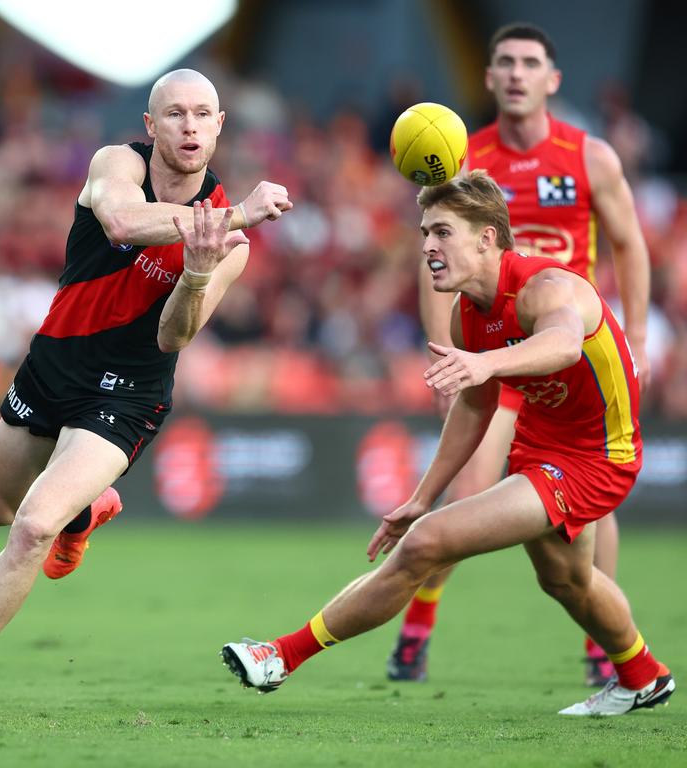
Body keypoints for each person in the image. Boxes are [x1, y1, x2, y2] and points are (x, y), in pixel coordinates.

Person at [0, 68, 293, 719]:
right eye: (174, 114)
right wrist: (235, 213)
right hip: (53, 365)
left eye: (203, 114)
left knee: (31, 528)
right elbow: (118, 221)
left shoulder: (232, 244)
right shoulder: (119, 164)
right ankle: (85, 513)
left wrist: (196, 276)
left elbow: (174, 337)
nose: (189, 126)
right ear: (150, 125)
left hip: (128, 392)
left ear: (220, 125)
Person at [222, 171, 674, 716]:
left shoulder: (544, 288)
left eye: (442, 233)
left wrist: (485, 362)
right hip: (541, 445)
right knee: (567, 579)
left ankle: (280, 656)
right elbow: (478, 405)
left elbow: (563, 344)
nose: (428, 247)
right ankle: (643, 676)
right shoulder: (469, 315)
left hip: (596, 458)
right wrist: (422, 495)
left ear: (487, 238)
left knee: (425, 544)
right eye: (424, 234)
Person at [388, 23, 652, 686]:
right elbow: (434, 263)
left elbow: (630, 243)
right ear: (488, 77)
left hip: (561, 346)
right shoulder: (462, 159)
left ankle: (603, 648)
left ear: (551, 80)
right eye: (503, 61)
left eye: (530, 62)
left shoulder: (588, 157)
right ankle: (417, 629)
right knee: (471, 485)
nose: (515, 73)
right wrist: (446, 353)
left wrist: (639, 338)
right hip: (489, 342)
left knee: (594, 505)